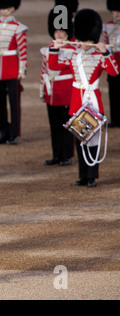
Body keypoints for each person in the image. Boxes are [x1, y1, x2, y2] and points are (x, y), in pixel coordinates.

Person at [50, 9, 119, 187]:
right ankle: (83, 175)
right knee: (80, 139)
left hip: (92, 100)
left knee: (93, 139)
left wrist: (105, 53)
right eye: (83, 40)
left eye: (88, 40)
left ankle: (92, 176)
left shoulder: (98, 56)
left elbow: (114, 71)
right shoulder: (74, 55)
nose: (85, 44)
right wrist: (55, 49)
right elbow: (54, 65)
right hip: (77, 101)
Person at [0, 0, 28, 145]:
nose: (2, 10)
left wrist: (22, 70)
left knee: (14, 103)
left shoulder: (18, 27)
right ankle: (3, 133)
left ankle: (13, 134)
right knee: (0, 103)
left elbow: (22, 51)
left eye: (5, 8)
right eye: (1, 8)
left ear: (12, 8)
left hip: (12, 69)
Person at [39, 8, 75, 166]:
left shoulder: (72, 50)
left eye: (62, 32)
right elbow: (44, 70)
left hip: (66, 92)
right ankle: (57, 154)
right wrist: (43, 90)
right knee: (54, 126)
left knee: (66, 125)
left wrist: (56, 50)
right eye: (56, 32)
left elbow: (57, 66)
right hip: (51, 92)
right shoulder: (48, 49)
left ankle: (67, 155)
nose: (58, 35)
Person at [103, 0, 120, 127]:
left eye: (118, 11)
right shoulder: (107, 25)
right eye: (114, 11)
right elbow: (106, 45)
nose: (116, 14)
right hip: (114, 62)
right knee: (113, 92)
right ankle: (115, 118)